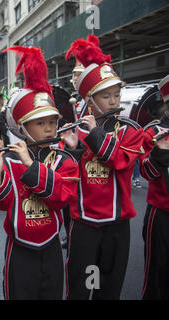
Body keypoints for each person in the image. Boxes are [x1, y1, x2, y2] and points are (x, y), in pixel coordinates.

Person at [0, 46, 79, 300]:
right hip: (19, 250)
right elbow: (2, 204)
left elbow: (62, 198)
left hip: (51, 247)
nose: (49, 128)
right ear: (22, 127)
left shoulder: (64, 160)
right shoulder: (10, 160)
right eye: (40, 123)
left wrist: (31, 167)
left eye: (52, 121)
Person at [63, 35, 144, 300]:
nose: (113, 101)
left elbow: (120, 162)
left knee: (108, 288)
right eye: (105, 96)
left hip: (117, 226)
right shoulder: (76, 132)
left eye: (116, 94)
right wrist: (73, 150)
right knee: (82, 284)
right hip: (85, 225)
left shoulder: (130, 130)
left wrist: (95, 135)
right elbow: (67, 177)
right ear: (90, 99)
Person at [140, 74, 169, 299]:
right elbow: (146, 173)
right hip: (161, 213)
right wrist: (160, 153)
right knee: (157, 271)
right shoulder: (152, 132)